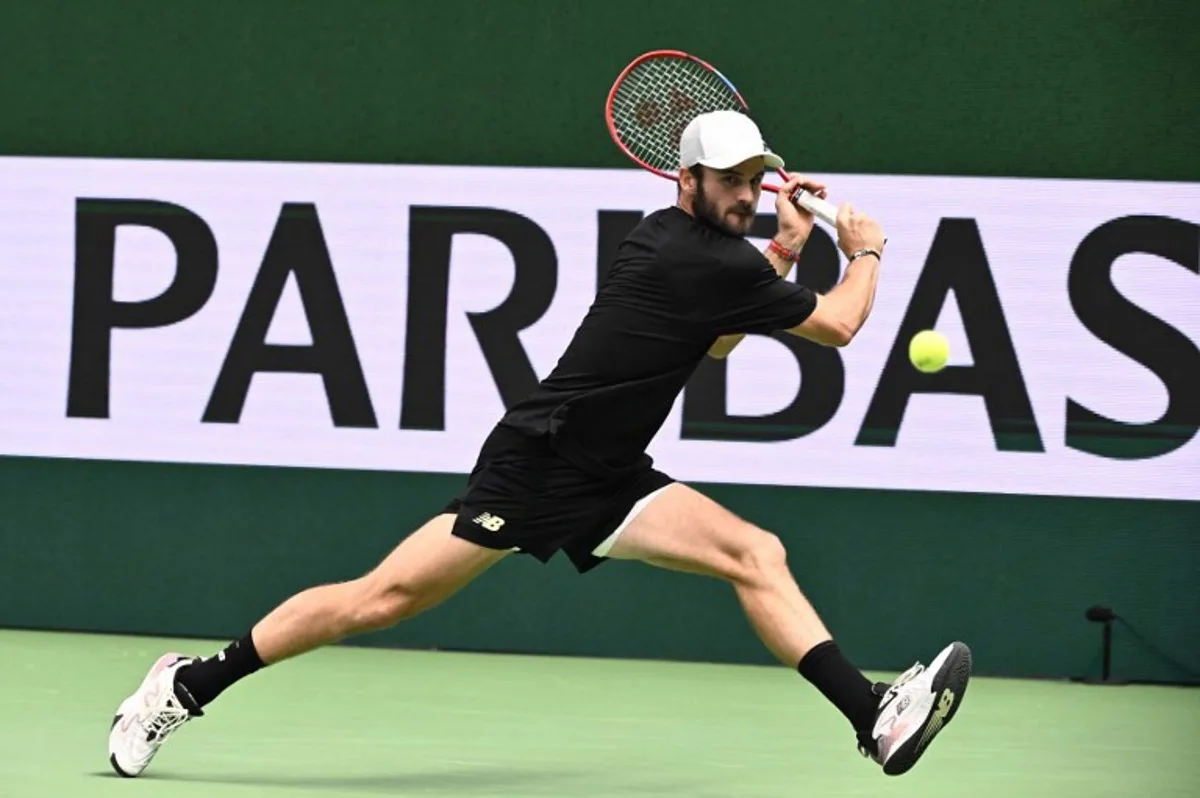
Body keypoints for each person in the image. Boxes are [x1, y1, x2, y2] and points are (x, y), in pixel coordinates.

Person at [107, 109, 971, 779]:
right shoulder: (697, 257)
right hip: (538, 464)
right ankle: (183, 687)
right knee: (380, 601)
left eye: (759, 180)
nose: (749, 196)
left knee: (756, 553)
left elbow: (717, 342)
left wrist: (785, 247)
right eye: (734, 182)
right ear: (689, 179)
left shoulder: (710, 253)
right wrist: (865, 252)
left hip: (610, 473)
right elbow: (844, 326)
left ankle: (872, 716)